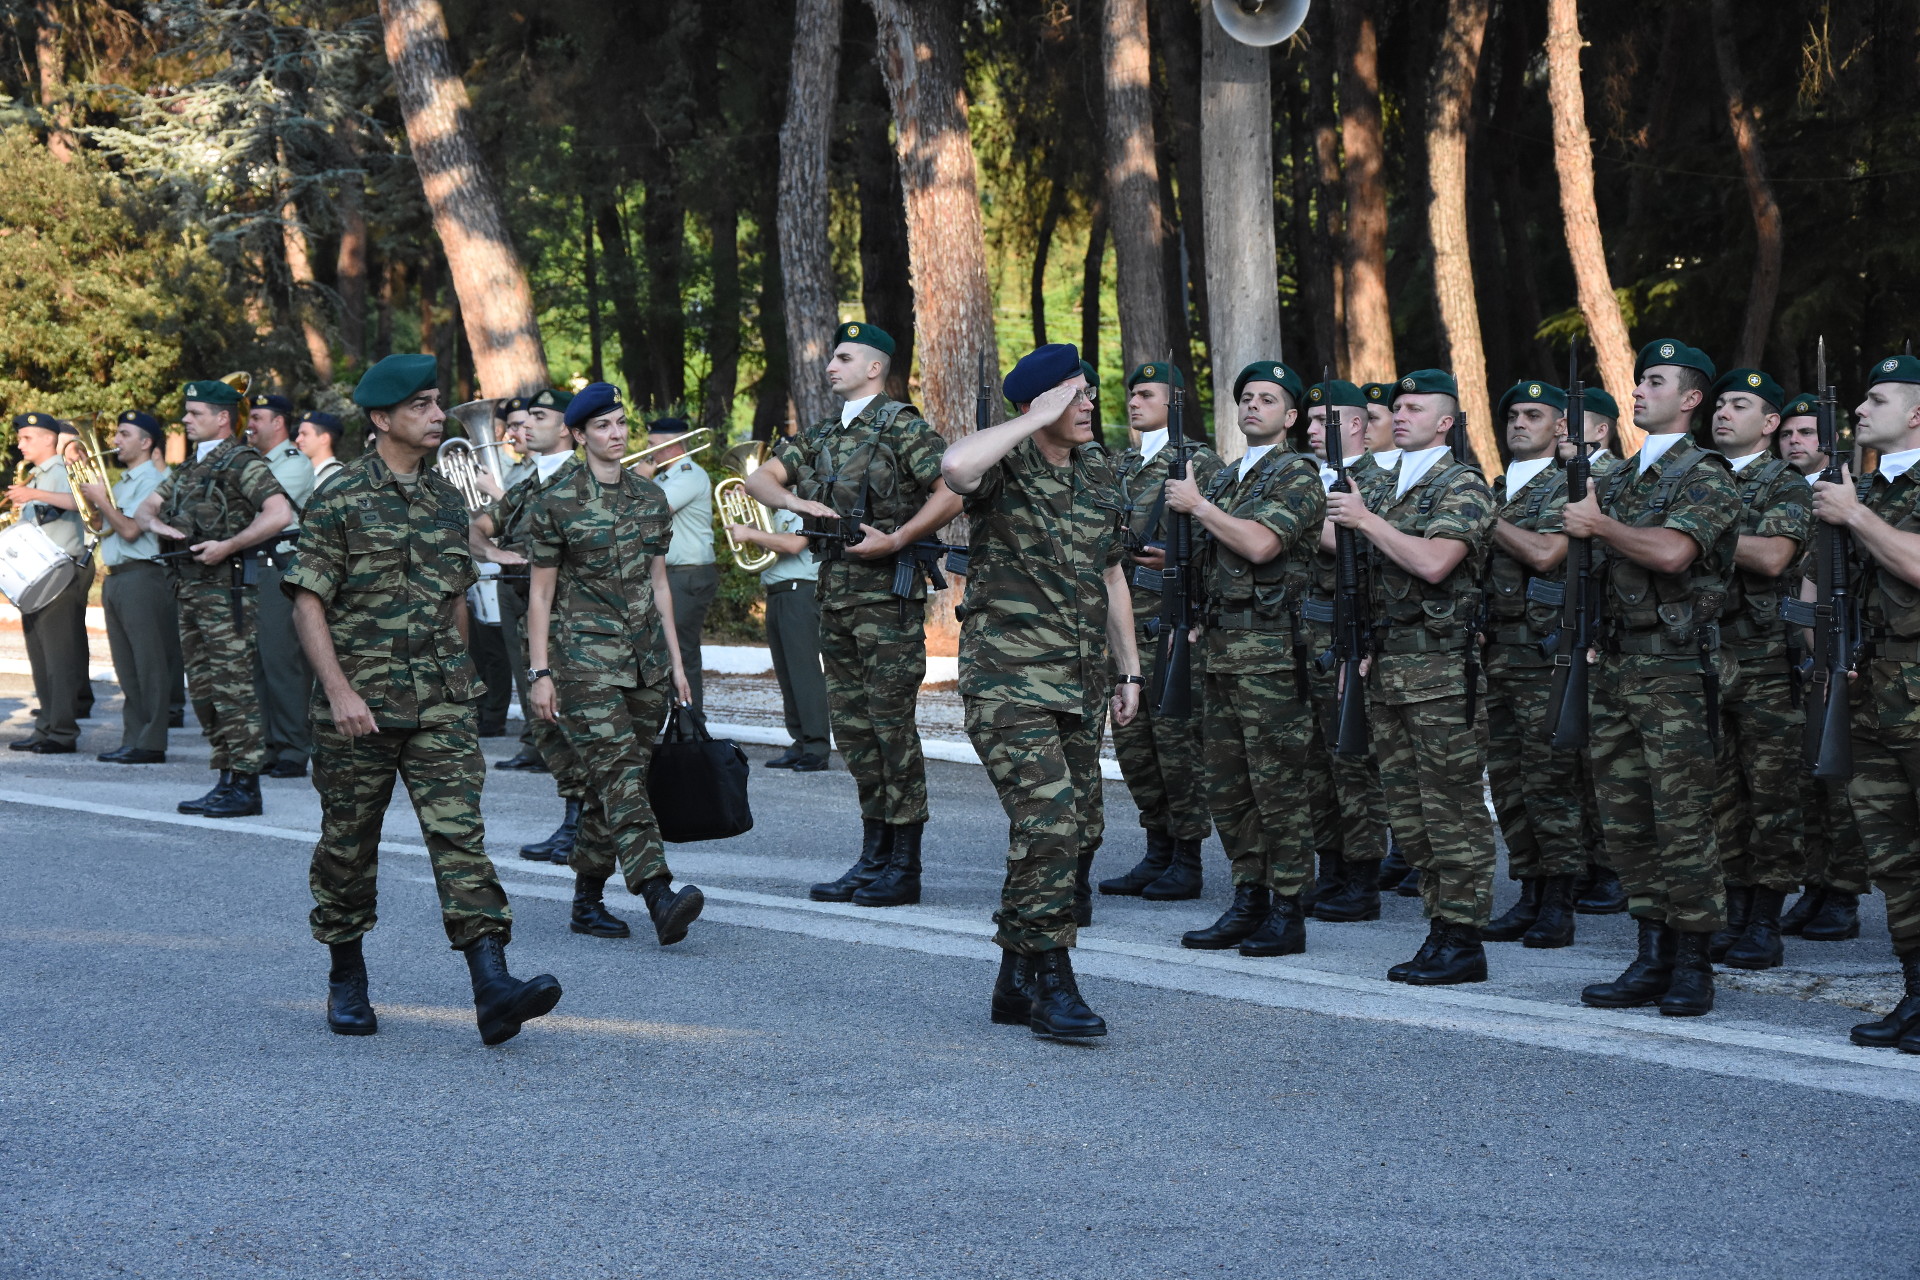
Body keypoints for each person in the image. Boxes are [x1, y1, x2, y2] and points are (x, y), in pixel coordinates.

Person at [285, 352, 560, 1045]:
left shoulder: (444, 499)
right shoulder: (340, 495)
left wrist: (463, 684)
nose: (439, 416)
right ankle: (346, 975)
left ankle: (492, 984)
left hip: (438, 700)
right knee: (349, 847)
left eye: (438, 403)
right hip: (361, 707)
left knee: (459, 836)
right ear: (382, 419)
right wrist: (341, 691)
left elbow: (453, 601)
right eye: (421, 406)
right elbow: (308, 604)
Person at [940, 342, 1141, 1040]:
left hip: (1081, 682)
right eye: (1076, 395)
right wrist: (1033, 418)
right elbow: (955, 466)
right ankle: (1054, 982)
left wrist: (1130, 670)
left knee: (1075, 829)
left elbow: (1113, 575)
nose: (1090, 405)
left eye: (1088, 394)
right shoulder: (1004, 466)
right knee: (1050, 822)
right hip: (1008, 681)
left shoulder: (1102, 473)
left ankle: (1012, 978)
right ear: (1042, 404)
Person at [744, 321, 962, 908]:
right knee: (855, 730)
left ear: (875, 368)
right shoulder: (820, 434)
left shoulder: (902, 428)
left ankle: (905, 864)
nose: (831, 365)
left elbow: (956, 488)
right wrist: (796, 502)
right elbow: (758, 478)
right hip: (834, 594)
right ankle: (873, 855)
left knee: (892, 728)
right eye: (831, 357)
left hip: (885, 600)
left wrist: (899, 540)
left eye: (844, 357)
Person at [1563, 339, 1742, 1017]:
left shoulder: (1706, 474)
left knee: (1683, 820)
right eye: (1638, 381)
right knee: (1627, 820)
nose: (1638, 391)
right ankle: (1652, 950)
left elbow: (1672, 551)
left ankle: (1694, 960)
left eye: (1655, 382)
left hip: (1674, 669)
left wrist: (1601, 524)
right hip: (1615, 663)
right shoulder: (1623, 475)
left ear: (1690, 399)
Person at [1327, 369, 1497, 985]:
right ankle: (1439, 928)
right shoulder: (1387, 485)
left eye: (1415, 408)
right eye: (1395, 407)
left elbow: (1433, 562)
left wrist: (1365, 520)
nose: (1399, 415)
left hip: (1444, 673)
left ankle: (1464, 936)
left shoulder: (1463, 486)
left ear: (1446, 422)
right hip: (1388, 667)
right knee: (1409, 811)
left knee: (1451, 808)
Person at [525, 382, 705, 946]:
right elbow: (539, 596)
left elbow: (659, 586)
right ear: (578, 436)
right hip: (584, 664)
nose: (617, 434)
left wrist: (677, 664)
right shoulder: (556, 501)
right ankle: (657, 891)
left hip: (648, 664)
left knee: (617, 784)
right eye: (603, 426)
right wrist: (540, 672)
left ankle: (585, 900)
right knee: (623, 774)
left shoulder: (649, 498)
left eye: (622, 422)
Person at [1166, 360, 1325, 956]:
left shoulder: (1300, 475)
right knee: (1227, 788)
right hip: (1223, 652)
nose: (1253, 406)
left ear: (1290, 417)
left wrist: (1199, 507)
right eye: (1247, 397)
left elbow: (1261, 544)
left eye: (1268, 399)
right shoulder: (1231, 478)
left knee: (1278, 785)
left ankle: (1288, 908)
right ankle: (1249, 897)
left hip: (1274, 655)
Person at [1807, 354, 1920, 1051]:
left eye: (1875, 399)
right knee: (1895, 859)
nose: (1858, 411)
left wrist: (1853, 515)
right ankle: (1916, 990)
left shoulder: (1864, 500)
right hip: (1872, 694)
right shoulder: (1867, 488)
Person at [1095, 361, 1221, 905]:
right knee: (1134, 743)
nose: (1134, 401)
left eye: (1146, 393)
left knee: (1176, 744)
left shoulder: (1200, 463)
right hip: (1122, 626)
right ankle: (1157, 848)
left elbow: (1220, 545)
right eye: (1131, 392)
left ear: (1175, 402)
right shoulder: (1121, 464)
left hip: (1170, 621)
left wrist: (1175, 562)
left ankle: (1187, 858)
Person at [138, 378, 292, 818]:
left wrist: (230, 545)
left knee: (233, 690)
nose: (186, 420)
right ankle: (225, 777)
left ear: (223, 418)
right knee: (204, 691)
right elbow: (144, 508)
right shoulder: (188, 467)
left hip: (227, 594)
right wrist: (155, 525)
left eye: (195, 413)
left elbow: (279, 512)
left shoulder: (242, 461)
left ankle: (247, 784)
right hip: (189, 589)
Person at [1700, 369, 1809, 971]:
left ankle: (1765, 918)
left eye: (1740, 405)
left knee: (1771, 794)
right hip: (1704, 652)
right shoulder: (1699, 476)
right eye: (1719, 404)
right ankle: (1735, 908)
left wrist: (1698, 532)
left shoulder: (1783, 482)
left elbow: (1772, 557)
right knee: (1720, 794)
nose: (1723, 413)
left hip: (1766, 658)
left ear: (1770, 424)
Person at [1478, 380, 1585, 949]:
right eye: (1513, 414)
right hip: (1493, 652)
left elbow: (1547, 553)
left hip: (1544, 657)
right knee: (1508, 781)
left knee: (1550, 783)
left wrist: (1484, 517)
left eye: (1533, 415)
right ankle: (1529, 889)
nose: (1519, 423)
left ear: (1559, 428)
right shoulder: (1494, 487)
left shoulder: (1573, 485)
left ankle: (1560, 902)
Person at [470, 389, 595, 867]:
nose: (522, 427)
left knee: (576, 725)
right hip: (529, 619)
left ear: (566, 428)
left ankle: (589, 827)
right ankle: (573, 818)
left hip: (573, 626)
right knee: (547, 727)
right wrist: (497, 553)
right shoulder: (527, 484)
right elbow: (477, 527)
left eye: (538, 417)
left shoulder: (585, 479)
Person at [1300, 380, 1396, 920]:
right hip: (1301, 635)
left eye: (1324, 421)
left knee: (1353, 761)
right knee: (1314, 764)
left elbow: (1357, 544)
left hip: (1350, 634)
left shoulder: (1381, 482)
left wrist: (1289, 524)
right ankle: (1330, 869)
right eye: (1310, 419)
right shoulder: (1297, 477)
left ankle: (1364, 879)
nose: (1312, 430)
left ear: (1355, 425)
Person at [1774, 393, 1867, 940]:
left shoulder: (1852, 496)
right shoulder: (1774, 491)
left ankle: (1843, 894)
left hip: (1832, 651)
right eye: (1787, 433)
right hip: (1782, 651)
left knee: (1839, 780)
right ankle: (1814, 884)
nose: (1794, 442)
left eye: (1806, 433)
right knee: (1799, 779)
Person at [77, 411, 176, 763]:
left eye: (124, 434)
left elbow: (132, 530)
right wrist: (93, 499)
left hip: (143, 575)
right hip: (117, 575)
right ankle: (134, 737)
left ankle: (151, 742)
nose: (115, 440)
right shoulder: (122, 483)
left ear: (146, 442)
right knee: (126, 665)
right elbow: (103, 524)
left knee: (148, 663)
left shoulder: (155, 481)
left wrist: (102, 499)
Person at [5, 413, 91, 754]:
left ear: (46, 439)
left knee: (59, 659)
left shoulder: (60, 471)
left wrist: (32, 493)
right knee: (40, 659)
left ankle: (63, 732)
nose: (20, 444)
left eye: (27, 438)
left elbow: (79, 503)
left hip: (60, 575)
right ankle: (45, 727)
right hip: (36, 576)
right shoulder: (40, 476)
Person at [727, 506, 832, 771]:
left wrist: (750, 533)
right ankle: (800, 742)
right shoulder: (773, 511)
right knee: (787, 675)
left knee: (804, 673)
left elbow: (794, 544)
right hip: (779, 592)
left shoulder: (806, 505)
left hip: (799, 592)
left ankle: (816, 747)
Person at [245, 392, 317, 780]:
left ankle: (292, 746)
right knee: (256, 663)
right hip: (252, 567)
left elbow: (264, 510)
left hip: (279, 566)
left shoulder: (293, 462)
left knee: (281, 661)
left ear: (279, 423)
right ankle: (267, 745)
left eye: (257, 417)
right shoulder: (253, 462)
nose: (249, 424)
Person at [641, 416, 716, 714]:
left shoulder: (690, 474)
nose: (648, 452)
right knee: (671, 650)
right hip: (668, 574)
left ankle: (690, 725)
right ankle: (679, 722)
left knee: (681, 652)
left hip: (688, 574)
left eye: (653, 446)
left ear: (672, 447)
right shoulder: (661, 477)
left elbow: (657, 510)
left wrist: (640, 479)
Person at [295, 409, 345, 491]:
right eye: (299, 434)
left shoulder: (337, 477)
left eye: (304, 434)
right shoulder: (304, 474)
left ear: (324, 438)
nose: (297, 440)